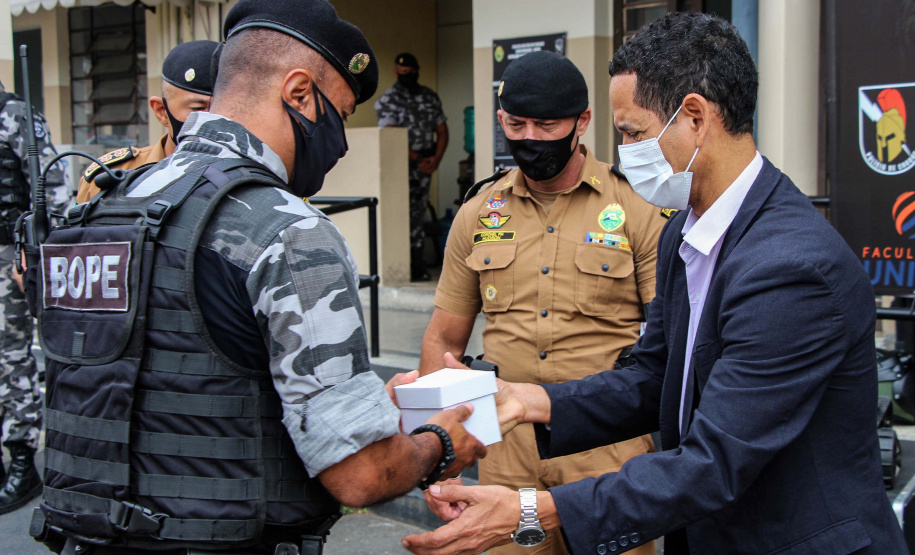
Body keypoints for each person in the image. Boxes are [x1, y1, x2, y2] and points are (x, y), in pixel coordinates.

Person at [402, 12, 908, 555]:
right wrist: (528, 401)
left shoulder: (789, 267)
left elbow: (715, 461)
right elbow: (656, 375)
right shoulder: (687, 234)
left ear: (694, 117)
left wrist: (530, 510)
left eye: (633, 133)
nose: (625, 150)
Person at [28, 1, 484, 554]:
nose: (338, 141)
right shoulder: (286, 229)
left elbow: (165, 381)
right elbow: (360, 474)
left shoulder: (106, 204)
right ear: (297, 93)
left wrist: (365, 406)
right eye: (338, 114)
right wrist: (441, 442)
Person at [418, 50, 665, 555]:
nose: (529, 138)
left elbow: (673, 343)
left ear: (583, 122)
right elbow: (444, 338)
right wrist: (437, 453)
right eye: (516, 123)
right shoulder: (477, 213)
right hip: (505, 455)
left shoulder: (637, 208)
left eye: (547, 124)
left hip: (608, 457)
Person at [0, 79, 69, 514]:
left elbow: (51, 187)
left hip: (9, 256)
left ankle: (23, 460)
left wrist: (40, 255)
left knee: (10, 356)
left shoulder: (15, 116)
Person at [75, 39, 219, 204]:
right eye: (198, 109)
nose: (214, 117)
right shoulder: (108, 178)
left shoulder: (251, 176)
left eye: (223, 108)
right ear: (162, 112)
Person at [375, 52, 449, 281]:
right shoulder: (388, 100)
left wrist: (435, 159)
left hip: (426, 165)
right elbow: (390, 135)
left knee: (418, 214)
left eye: (411, 72)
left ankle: (418, 266)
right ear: (397, 72)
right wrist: (417, 159)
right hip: (400, 167)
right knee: (402, 215)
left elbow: (442, 131)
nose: (407, 75)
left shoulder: (429, 96)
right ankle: (405, 268)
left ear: (417, 70)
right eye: (403, 73)